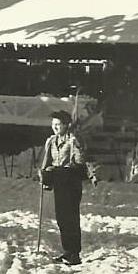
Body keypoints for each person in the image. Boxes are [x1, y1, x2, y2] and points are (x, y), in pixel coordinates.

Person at [38, 110, 90, 265]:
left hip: (71, 182)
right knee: (61, 218)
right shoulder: (52, 141)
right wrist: (44, 174)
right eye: (53, 124)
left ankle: (75, 253)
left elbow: (80, 161)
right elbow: (47, 161)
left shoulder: (73, 139)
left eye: (58, 124)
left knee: (71, 218)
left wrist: (78, 144)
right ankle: (67, 251)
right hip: (59, 182)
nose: (55, 127)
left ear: (67, 125)